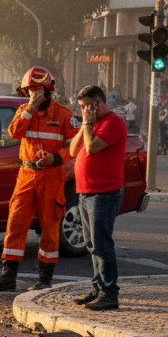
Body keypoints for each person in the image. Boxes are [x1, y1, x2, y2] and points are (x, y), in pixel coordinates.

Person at [0, 66, 78, 292]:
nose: (34, 94)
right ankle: (8, 277)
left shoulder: (63, 114)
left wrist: (55, 158)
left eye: (38, 90)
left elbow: (75, 146)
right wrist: (30, 108)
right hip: (26, 174)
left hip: (51, 176)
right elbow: (14, 133)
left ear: (48, 90)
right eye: (30, 91)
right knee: (15, 223)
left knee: (50, 226)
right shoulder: (24, 110)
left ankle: (44, 280)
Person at [67, 85, 127, 311]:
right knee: (91, 244)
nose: (82, 111)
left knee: (102, 243)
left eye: (84, 107)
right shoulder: (89, 124)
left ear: (96, 104)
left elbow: (91, 148)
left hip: (104, 192)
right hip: (86, 192)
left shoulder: (113, 122)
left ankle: (110, 294)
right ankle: (98, 287)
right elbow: (74, 150)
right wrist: (85, 124)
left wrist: (89, 124)